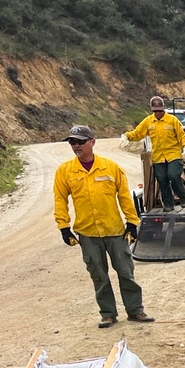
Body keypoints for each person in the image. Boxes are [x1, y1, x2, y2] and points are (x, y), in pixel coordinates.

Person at [54, 124, 154, 328]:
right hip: (87, 232)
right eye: (72, 142)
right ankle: (108, 314)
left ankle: (135, 311)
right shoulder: (65, 171)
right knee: (99, 275)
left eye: (80, 141)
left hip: (115, 230)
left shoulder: (111, 167)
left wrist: (132, 223)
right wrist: (64, 227)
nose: (76, 146)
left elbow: (125, 197)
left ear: (92, 142)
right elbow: (60, 200)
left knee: (126, 272)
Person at [122, 96, 185, 212]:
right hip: (158, 157)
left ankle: (182, 197)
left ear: (163, 109)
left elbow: (181, 135)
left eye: (160, 110)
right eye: (155, 111)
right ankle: (168, 204)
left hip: (173, 154)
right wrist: (127, 136)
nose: (158, 113)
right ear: (152, 110)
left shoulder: (172, 120)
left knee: (173, 175)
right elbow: (138, 133)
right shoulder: (148, 121)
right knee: (162, 179)